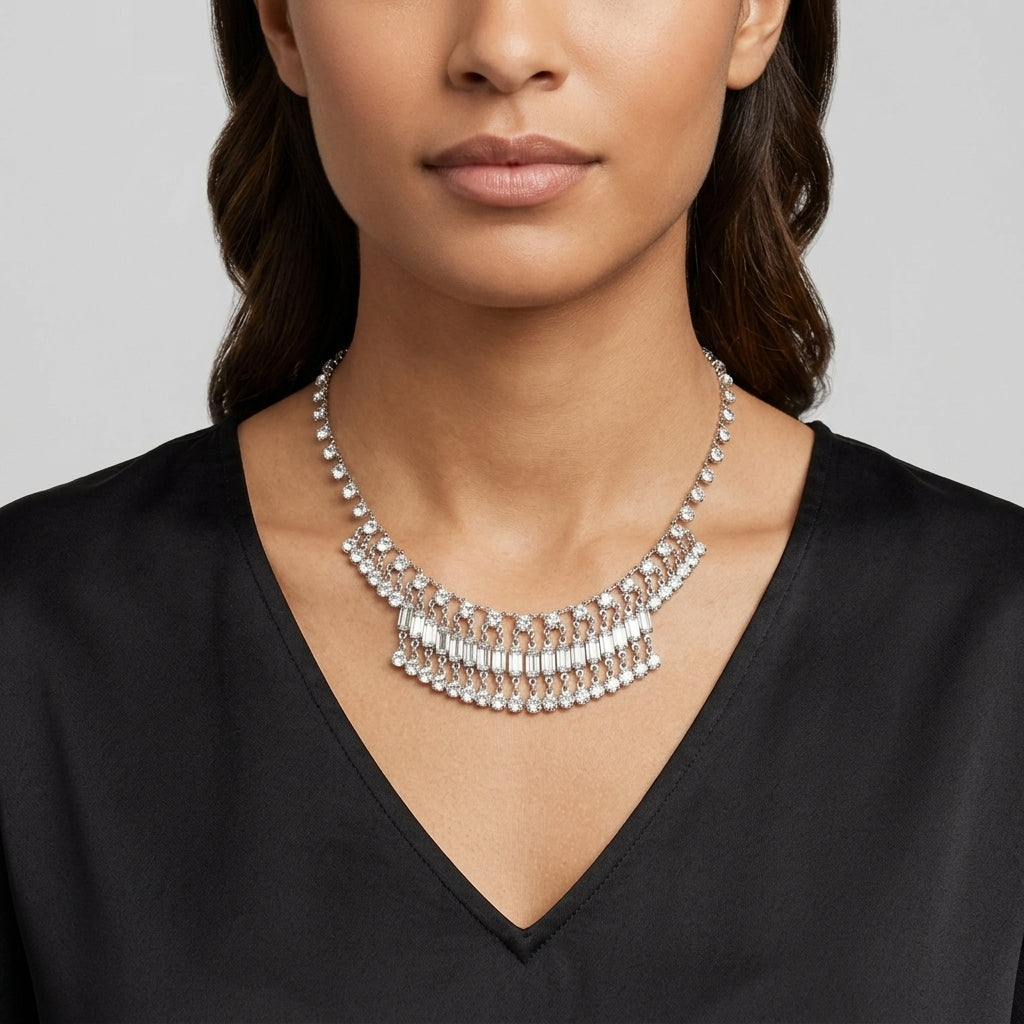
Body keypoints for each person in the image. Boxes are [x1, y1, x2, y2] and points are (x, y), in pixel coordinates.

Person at [1, 0, 1021, 1019]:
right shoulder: (34, 642)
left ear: (756, 14)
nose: (504, 48)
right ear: (279, 22)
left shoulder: (992, 651)